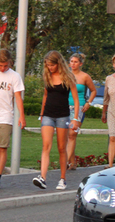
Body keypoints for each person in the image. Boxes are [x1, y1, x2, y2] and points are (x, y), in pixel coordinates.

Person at [33, 51, 80, 191]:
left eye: (52, 65)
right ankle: (42, 178)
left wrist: (75, 118)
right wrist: (41, 114)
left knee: (61, 148)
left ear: (58, 63)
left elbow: (76, 100)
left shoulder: (68, 77)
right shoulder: (47, 75)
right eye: (48, 65)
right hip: (48, 115)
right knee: (46, 146)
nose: (50, 68)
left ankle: (62, 179)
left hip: (63, 116)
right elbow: (45, 95)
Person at [0, 49, 26, 190]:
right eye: (0, 65)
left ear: (10, 62)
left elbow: (17, 97)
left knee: (2, 148)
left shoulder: (14, 76)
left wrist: (21, 116)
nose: (3, 68)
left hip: (5, 118)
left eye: (6, 65)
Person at [66, 53, 97, 170]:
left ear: (80, 64)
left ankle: (67, 161)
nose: (73, 64)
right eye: (71, 61)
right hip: (65, 106)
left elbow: (93, 90)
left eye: (75, 62)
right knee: (67, 135)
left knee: (72, 134)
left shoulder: (85, 77)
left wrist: (88, 102)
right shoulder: (66, 75)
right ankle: (72, 162)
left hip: (78, 107)